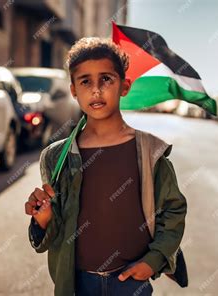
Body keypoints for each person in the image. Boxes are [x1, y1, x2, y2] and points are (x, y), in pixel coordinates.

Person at [24, 37, 188, 296]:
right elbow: (54, 232)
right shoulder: (58, 157)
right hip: (77, 284)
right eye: (85, 81)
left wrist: (152, 261)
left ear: (124, 86)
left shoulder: (149, 151)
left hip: (132, 282)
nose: (96, 90)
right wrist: (43, 220)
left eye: (107, 79)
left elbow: (173, 211)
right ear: (73, 90)